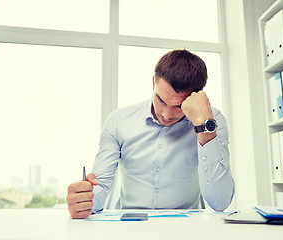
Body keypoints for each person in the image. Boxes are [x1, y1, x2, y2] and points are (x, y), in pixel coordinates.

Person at [66, 49, 235, 219]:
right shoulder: (119, 121)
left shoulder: (212, 121)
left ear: (196, 97)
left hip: (185, 227)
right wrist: (83, 201)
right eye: (161, 100)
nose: (166, 115)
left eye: (178, 106)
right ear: (153, 82)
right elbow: (100, 185)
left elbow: (220, 203)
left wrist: (204, 127)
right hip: (128, 226)